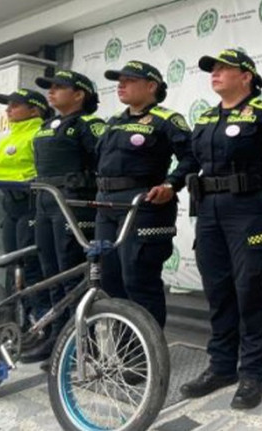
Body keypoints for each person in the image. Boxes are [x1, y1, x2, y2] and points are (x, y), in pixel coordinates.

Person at [178, 49, 262, 409]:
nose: (216, 73)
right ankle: (222, 366)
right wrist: (170, 183)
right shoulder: (206, 117)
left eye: (225, 68)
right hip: (208, 211)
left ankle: (253, 372)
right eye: (213, 69)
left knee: (249, 288)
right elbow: (191, 162)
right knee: (218, 289)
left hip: (249, 210)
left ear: (247, 76)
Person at [96, 60, 198, 329]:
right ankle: (122, 351)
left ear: (151, 85)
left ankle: (148, 354)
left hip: (143, 205)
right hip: (105, 205)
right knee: (109, 279)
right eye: (119, 80)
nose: (121, 85)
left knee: (138, 279)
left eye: (128, 80)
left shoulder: (167, 120)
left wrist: (171, 185)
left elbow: (191, 158)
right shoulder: (113, 122)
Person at [18, 69, 105, 362]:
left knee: (72, 272)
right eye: (49, 88)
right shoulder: (46, 125)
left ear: (79, 94)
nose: (51, 92)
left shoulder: (89, 124)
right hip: (44, 202)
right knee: (49, 271)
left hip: (73, 203)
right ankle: (56, 337)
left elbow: (103, 164)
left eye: (59, 87)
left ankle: (83, 344)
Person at [0, 88, 53, 330]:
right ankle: (14, 324)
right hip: (10, 206)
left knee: (31, 267)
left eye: (15, 105)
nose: (8, 109)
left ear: (34, 109)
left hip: (32, 206)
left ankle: (40, 322)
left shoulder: (40, 134)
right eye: (7, 105)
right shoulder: (9, 138)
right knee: (12, 268)